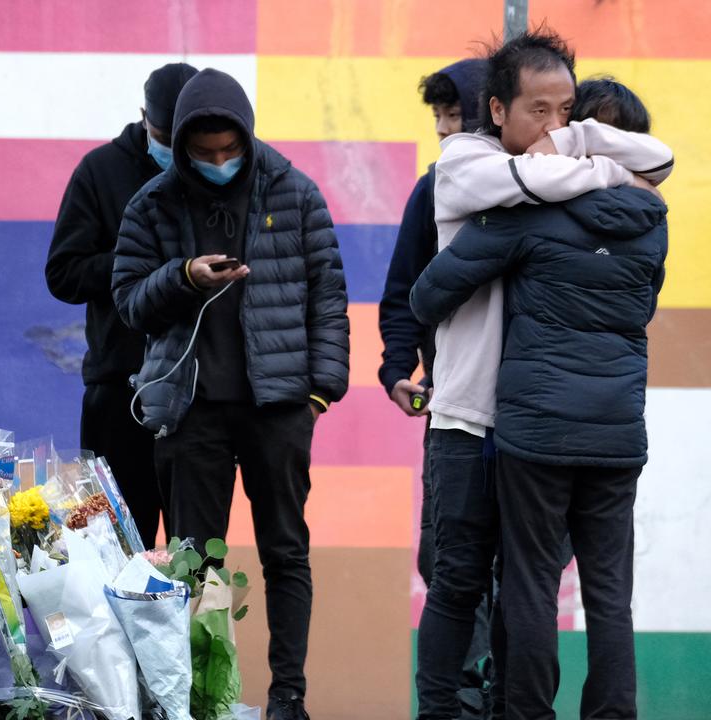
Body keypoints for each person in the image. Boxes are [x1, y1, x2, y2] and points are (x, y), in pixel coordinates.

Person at [413, 30, 673, 720]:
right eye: (541, 112)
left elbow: (432, 291)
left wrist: (576, 153)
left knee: (524, 585)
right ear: (497, 109)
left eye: (568, 114)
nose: (555, 127)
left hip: (535, 425)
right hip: (488, 415)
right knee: (466, 582)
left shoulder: (534, 217)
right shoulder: (472, 165)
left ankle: (518, 713)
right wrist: (599, 160)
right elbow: (641, 296)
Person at [112, 68, 349, 720]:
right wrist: (183, 275)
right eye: (204, 153)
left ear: (246, 137)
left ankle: (287, 697)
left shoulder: (296, 194)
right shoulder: (151, 206)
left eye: (229, 150)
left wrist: (319, 394)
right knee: (195, 564)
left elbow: (327, 294)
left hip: (277, 410)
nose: (219, 163)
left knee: (284, 553)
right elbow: (129, 302)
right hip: (191, 413)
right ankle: (199, 694)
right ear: (182, 144)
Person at [376, 58, 491, 720]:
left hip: (526, 419)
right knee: (447, 564)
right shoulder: (430, 191)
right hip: (449, 409)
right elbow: (401, 294)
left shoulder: (530, 189)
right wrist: (398, 369)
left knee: (513, 578)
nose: (447, 131)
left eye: (458, 117)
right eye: (439, 119)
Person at [45, 62, 198, 548]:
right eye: (163, 136)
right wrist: (137, 263)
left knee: (195, 556)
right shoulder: (100, 171)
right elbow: (63, 274)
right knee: (108, 549)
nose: (175, 151)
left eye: (185, 139)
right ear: (142, 118)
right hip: (118, 388)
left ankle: (195, 628)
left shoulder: (215, 170)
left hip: (199, 393)